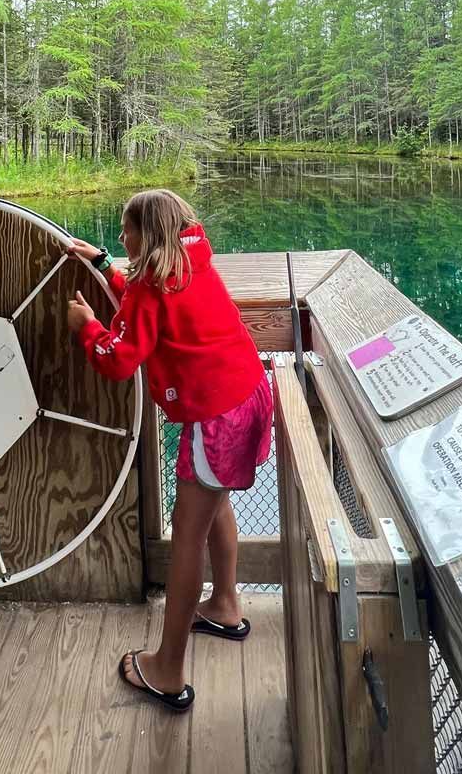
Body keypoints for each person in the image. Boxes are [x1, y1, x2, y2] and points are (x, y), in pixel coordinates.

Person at [65, 189, 272, 712]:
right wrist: (106, 265)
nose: (120, 238)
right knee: (214, 500)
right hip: (248, 394)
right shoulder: (191, 262)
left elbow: (119, 356)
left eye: (126, 232)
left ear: (147, 235)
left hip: (215, 417)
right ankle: (225, 604)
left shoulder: (151, 288)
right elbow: (147, 301)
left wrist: (86, 326)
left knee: (186, 539)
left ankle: (168, 669)